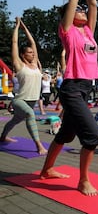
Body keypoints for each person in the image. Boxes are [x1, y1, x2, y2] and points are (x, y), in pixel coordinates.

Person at [40, 0, 98, 196]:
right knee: (92, 135)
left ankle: (47, 169)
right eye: (78, 10)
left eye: (83, 10)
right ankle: (83, 181)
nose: (83, 11)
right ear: (70, 14)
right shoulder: (67, 30)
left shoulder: (89, 32)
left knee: (66, 133)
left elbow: (92, 3)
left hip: (85, 88)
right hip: (72, 87)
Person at [0, 17, 48, 155]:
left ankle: (2, 137)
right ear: (22, 54)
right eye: (29, 53)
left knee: (15, 120)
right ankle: (39, 146)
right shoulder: (19, 64)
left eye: (33, 53)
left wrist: (24, 26)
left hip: (32, 101)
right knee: (29, 114)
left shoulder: (35, 65)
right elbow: (14, 42)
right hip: (20, 100)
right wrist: (16, 27)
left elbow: (32, 42)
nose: (32, 54)